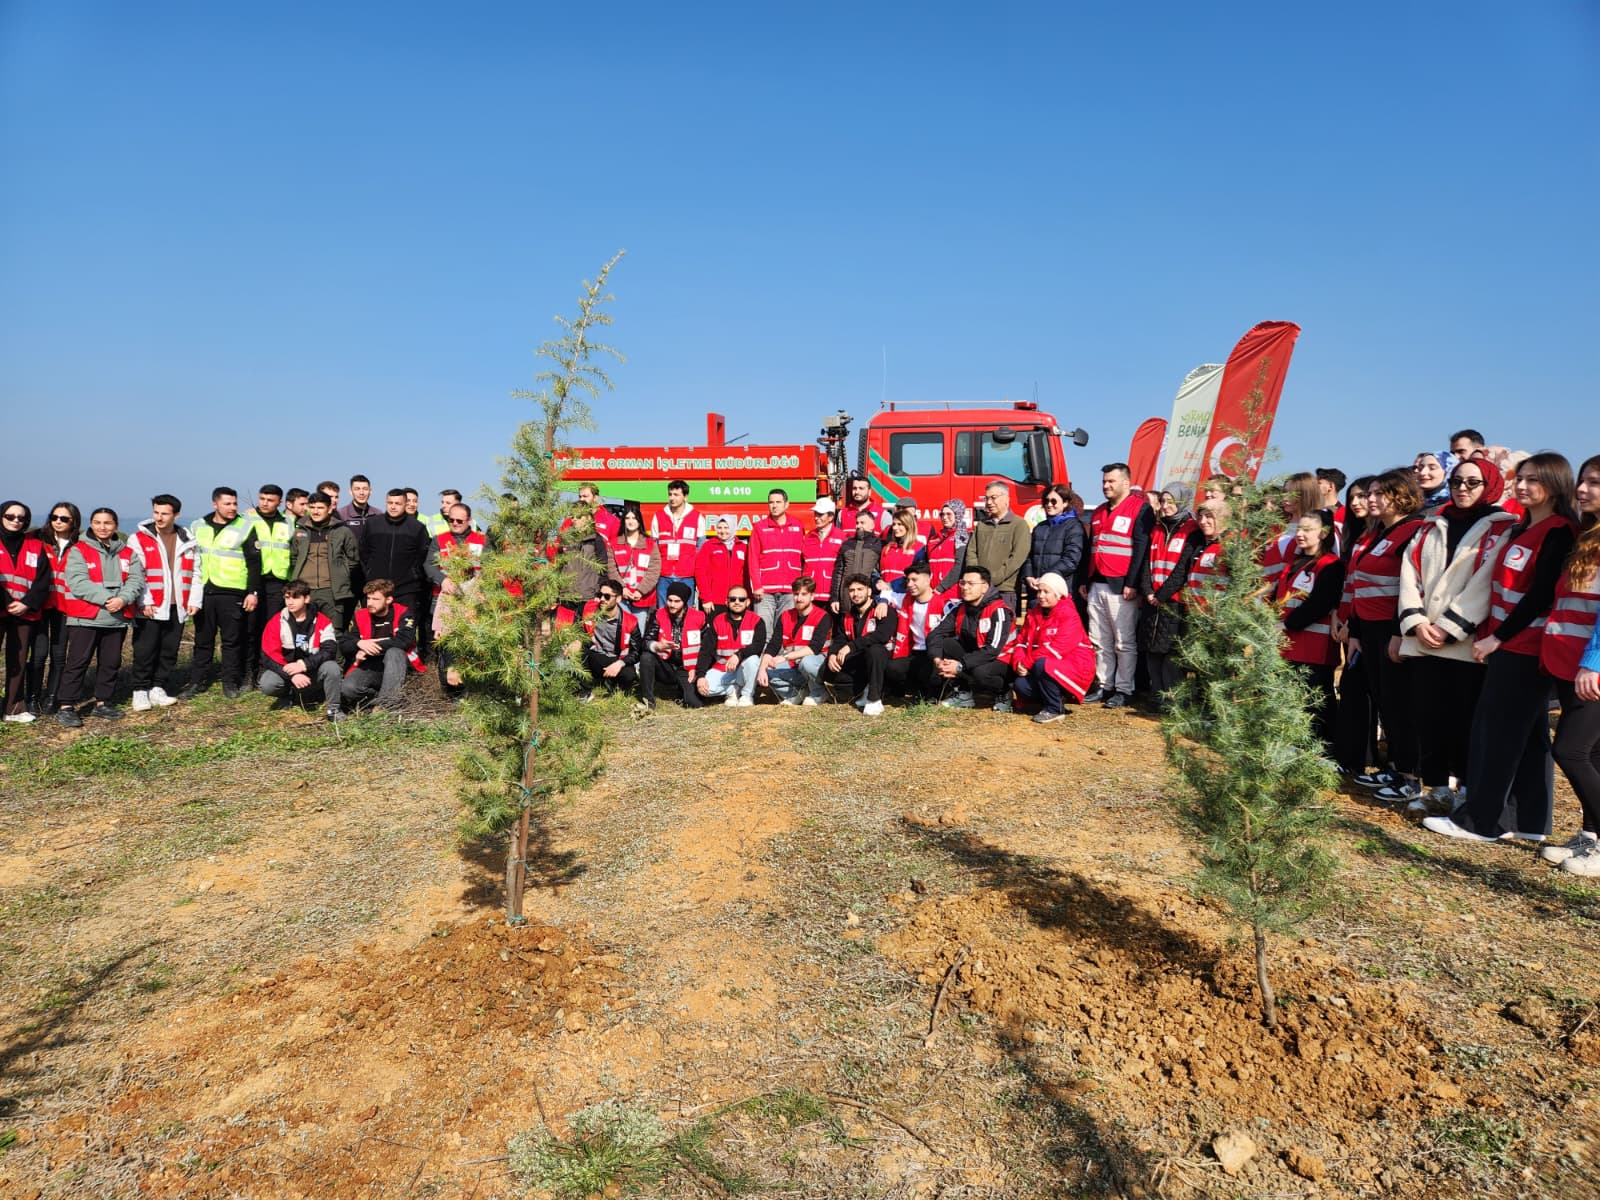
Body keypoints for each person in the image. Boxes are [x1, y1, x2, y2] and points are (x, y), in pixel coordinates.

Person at [1424, 453, 1579, 844]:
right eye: (1520, 479)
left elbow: (1540, 595)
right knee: (1527, 736)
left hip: (1525, 646)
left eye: (1533, 480)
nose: (1522, 486)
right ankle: (1528, 820)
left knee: (1496, 732)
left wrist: (1500, 637)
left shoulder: (1559, 531)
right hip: (1509, 642)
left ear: (1556, 485)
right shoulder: (1524, 527)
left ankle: (1480, 821)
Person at [1391, 459, 1516, 809]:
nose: (1463, 488)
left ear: (1489, 485)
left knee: (1462, 718)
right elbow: (1409, 571)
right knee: (1427, 716)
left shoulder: (1502, 526)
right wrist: (1416, 621)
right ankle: (1436, 788)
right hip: (1422, 635)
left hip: (1462, 642)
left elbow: (1486, 582)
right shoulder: (1432, 521)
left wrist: (1448, 628)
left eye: (1473, 482)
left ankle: (1462, 790)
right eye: (1458, 481)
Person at [1346, 470, 1428, 791]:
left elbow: (1411, 588)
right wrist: (1355, 632)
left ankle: (1411, 777)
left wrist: (1399, 633)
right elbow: (1360, 585)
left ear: (1402, 496)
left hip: (1393, 632)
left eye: (1380, 493)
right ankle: (1395, 767)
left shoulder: (1413, 530)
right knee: (1385, 703)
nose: (1371, 499)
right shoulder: (1379, 531)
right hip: (1368, 630)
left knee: (1400, 704)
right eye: (1371, 493)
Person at [1539, 455, 1600, 875]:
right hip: (1568, 660)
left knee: (1571, 750)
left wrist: (1594, 662)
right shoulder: (1588, 535)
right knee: (1593, 752)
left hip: (1590, 667)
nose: (1582, 489)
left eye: (1595, 483)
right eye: (1582, 480)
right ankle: (1590, 838)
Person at [55, 508, 145, 727]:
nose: (102, 527)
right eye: (97, 522)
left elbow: (136, 580)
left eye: (108, 523)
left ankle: (103, 702)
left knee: (111, 662)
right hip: (85, 617)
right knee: (77, 662)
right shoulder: (79, 550)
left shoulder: (127, 553)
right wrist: (107, 599)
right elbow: (78, 581)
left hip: (117, 617)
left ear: (116, 525)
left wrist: (123, 599)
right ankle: (66, 705)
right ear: (91, 524)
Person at [1083, 463, 1156, 707]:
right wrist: (1086, 580)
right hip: (1097, 584)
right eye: (1104, 481)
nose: (1106, 486)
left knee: (1123, 642)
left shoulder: (1140, 509)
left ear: (1126, 483)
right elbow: (1092, 548)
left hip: (1121, 586)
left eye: (1111, 481)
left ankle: (1124, 689)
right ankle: (1104, 685)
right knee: (1099, 640)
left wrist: (1132, 582)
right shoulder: (1099, 511)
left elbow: (1141, 549)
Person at [1273, 510, 1346, 752]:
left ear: (1323, 534)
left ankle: (1320, 747)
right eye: (1298, 529)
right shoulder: (1294, 562)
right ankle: (1294, 742)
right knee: (1291, 696)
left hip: (1314, 647)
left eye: (1307, 529)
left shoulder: (1331, 566)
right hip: (1289, 645)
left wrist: (1288, 624)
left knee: (1315, 700)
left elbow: (1320, 603)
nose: (1300, 534)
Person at [186, 486, 262, 699]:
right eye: (227, 504)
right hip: (204, 590)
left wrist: (252, 592)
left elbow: (255, 563)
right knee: (203, 640)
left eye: (234, 503)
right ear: (215, 504)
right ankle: (196, 681)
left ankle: (230, 682)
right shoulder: (197, 525)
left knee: (232, 641)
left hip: (232, 592)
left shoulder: (245, 526)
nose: (232, 508)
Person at [128, 495, 199, 712]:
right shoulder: (138, 539)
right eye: (156, 512)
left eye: (164, 513)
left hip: (178, 604)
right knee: (145, 649)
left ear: (175, 515)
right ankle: (140, 691)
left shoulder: (187, 539)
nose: (159, 517)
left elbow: (196, 572)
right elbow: (136, 573)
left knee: (169, 649)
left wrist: (194, 599)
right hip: (151, 605)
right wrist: (144, 600)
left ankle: (158, 687)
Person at [1139, 487, 1207, 707]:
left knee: (1170, 654)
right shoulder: (1157, 528)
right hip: (1152, 600)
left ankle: (1173, 701)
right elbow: (1147, 563)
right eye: (1162, 501)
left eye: (1171, 501)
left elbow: (1182, 569)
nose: (1165, 506)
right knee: (1152, 649)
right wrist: (1147, 590)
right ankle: (1157, 696)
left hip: (1173, 602)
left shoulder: (1192, 530)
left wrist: (1162, 594)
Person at [1003, 571, 1094, 723]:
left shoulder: (1069, 615)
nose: (1041, 595)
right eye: (1039, 591)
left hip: (1075, 666)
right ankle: (1050, 699)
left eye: (1046, 592)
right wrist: (1019, 662)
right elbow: (1021, 641)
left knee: (1043, 664)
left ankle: (1055, 708)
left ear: (1058, 595)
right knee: (1021, 685)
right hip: (1045, 665)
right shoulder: (1033, 614)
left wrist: (1027, 663)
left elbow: (1057, 649)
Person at [931, 565, 1015, 710]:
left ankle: (1004, 692)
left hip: (1002, 660)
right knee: (946, 644)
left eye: (971, 584)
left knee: (981, 673)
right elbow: (936, 633)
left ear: (985, 587)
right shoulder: (959, 608)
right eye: (962, 583)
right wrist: (937, 660)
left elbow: (993, 649)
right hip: (976, 656)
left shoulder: (999, 610)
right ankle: (963, 694)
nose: (965, 587)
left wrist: (960, 665)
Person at [259, 579, 344, 721]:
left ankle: (333, 709)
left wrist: (303, 665)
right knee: (267, 683)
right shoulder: (276, 621)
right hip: (288, 672)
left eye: (295, 597)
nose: (290, 602)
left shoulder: (323, 621)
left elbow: (329, 650)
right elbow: (267, 656)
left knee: (332, 667)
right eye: (287, 597)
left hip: (313, 670)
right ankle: (288, 696)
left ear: (306, 598)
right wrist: (292, 675)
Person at [24, 501, 78, 716]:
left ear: (73, 521)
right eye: (54, 517)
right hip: (39, 604)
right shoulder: (35, 538)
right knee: (38, 654)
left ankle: (53, 697)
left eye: (64, 518)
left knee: (59, 655)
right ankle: (32, 697)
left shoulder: (79, 544)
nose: (58, 521)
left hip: (65, 606)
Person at [340, 578, 424, 711]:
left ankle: (387, 706)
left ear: (388, 600)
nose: (370, 603)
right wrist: (359, 643)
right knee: (348, 688)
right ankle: (380, 701)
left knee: (394, 652)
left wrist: (370, 646)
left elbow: (404, 641)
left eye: (375, 599)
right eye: (368, 598)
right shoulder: (360, 616)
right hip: (373, 666)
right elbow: (345, 643)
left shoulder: (404, 613)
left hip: (400, 665)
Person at [1, 501, 51, 722]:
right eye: (10, 516)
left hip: (25, 612)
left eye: (21, 518)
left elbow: (43, 579)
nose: (15, 521)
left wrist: (27, 603)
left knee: (18, 660)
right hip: (2, 609)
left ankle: (13, 708)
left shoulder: (35, 546)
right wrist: (7, 602)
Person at [822, 574, 898, 715]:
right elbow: (840, 639)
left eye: (860, 589)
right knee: (824, 671)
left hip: (885, 661)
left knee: (875, 650)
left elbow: (881, 636)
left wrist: (851, 646)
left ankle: (874, 699)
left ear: (869, 591)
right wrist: (832, 654)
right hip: (860, 661)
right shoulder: (848, 616)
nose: (855, 594)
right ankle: (861, 688)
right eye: (852, 590)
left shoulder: (883, 609)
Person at [430, 502, 486, 689]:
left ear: (469, 520)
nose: (454, 523)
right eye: (450, 519)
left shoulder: (482, 540)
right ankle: (449, 691)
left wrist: (482, 588)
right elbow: (428, 565)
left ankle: (471, 689)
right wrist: (441, 579)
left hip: (474, 601)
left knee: (472, 646)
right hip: (446, 600)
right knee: (447, 647)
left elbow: (491, 567)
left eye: (459, 520)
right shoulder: (439, 539)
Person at [243, 484, 294, 686]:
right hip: (254, 581)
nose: (264, 503)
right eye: (262, 498)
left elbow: (308, 507)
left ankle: (266, 671)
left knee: (271, 630)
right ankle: (249, 673)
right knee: (251, 629)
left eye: (270, 500)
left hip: (278, 583)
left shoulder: (288, 521)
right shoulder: (248, 518)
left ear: (279, 502)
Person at [884, 562, 955, 701]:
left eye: (914, 580)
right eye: (908, 580)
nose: (909, 584)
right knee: (892, 668)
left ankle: (939, 691)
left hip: (936, 652)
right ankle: (912, 689)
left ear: (928, 579)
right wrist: (881, 602)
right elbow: (887, 593)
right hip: (915, 652)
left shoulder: (944, 603)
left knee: (932, 673)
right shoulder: (905, 599)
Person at [356, 488, 433, 616]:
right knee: (375, 628)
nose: (393, 507)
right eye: (390, 503)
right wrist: (369, 572)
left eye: (397, 503)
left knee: (404, 629)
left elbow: (422, 555)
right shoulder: (373, 524)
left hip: (406, 589)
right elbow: (363, 551)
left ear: (405, 504)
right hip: (376, 587)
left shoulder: (417, 527)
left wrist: (414, 574)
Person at [756, 576, 832, 705]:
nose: (799, 598)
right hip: (794, 664)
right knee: (766, 671)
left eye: (804, 594)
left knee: (807, 662)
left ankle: (819, 693)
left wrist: (784, 657)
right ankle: (796, 693)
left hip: (816, 662)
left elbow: (815, 648)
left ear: (812, 596)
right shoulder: (785, 616)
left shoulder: (823, 616)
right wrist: (762, 669)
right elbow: (773, 645)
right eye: (796, 594)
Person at [291, 492, 361, 630]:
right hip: (305, 591)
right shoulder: (300, 532)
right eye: (312, 507)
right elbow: (294, 558)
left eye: (320, 508)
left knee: (334, 632)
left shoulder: (343, 531)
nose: (315, 511)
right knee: (304, 631)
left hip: (331, 592)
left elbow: (353, 559)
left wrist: (341, 573)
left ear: (329, 509)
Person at [638, 581, 705, 711]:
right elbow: (645, 641)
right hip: (666, 664)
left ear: (684, 602)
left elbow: (707, 649)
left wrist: (697, 669)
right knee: (646, 657)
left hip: (687, 668)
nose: (672, 604)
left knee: (694, 703)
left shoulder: (699, 617)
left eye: (677, 601)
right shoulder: (658, 614)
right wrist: (657, 646)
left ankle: (682, 689)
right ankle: (648, 702)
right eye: (669, 600)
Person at [695, 585, 766, 706]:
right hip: (723, 669)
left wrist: (739, 655)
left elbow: (758, 646)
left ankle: (747, 695)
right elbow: (706, 651)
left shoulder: (757, 620)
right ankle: (732, 690)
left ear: (748, 602)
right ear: (726, 602)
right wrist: (700, 675)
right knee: (705, 689)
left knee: (753, 660)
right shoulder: (717, 621)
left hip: (744, 668)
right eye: (733, 599)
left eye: (741, 599)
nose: (737, 602)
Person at [968, 481, 1031, 610]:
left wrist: (991, 580)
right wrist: (977, 579)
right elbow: (971, 553)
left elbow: (1017, 558)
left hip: (1005, 591)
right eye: (987, 498)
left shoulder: (1019, 525)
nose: (989, 502)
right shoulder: (981, 525)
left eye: (993, 498)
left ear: (1006, 499)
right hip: (980, 590)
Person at [573, 580, 641, 699]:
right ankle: (585, 692)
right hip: (594, 656)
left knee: (629, 676)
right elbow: (575, 625)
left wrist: (620, 663)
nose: (602, 599)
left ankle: (611, 682)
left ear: (618, 598)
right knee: (579, 650)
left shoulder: (630, 622)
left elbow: (637, 652)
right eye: (600, 595)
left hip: (615, 659)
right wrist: (576, 639)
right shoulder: (587, 609)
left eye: (607, 596)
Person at [748, 489, 804, 634]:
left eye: (778, 502)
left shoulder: (798, 526)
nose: (774, 505)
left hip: (791, 590)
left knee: (785, 632)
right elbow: (753, 558)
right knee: (763, 631)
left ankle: (782, 658)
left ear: (786, 504)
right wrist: (757, 586)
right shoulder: (759, 527)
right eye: (771, 502)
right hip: (765, 591)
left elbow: (804, 558)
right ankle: (762, 657)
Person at [1022, 484, 1085, 605]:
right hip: (1037, 591)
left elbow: (1071, 560)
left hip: (1059, 590)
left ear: (1065, 503)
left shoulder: (1074, 527)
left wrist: (1046, 578)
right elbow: (1029, 555)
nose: (1049, 504)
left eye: (1054, 501)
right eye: (1046, 501)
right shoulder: (1040, 527)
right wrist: (1028, 576)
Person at [1262, 473, 1321, 589]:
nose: (1285, 498)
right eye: (1284, 492)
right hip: (1263, 597)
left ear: (1306, 495)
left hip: (1293, 597)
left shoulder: (1318, 527)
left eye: (1291, 493)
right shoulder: (1276, 526)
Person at [651, 479, 701, 607]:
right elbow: (653, 548)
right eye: (670, 494)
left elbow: (700, 549)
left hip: (687, 575)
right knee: (663, 612)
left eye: (676, 495)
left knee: (686, 613)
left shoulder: (697, 517)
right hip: (663, 575)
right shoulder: (658, 516)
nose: (672, 498)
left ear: (685, 496)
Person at [611, 505, 661, 622]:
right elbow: (611, 569)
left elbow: (654, 570)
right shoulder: (614, 543)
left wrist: (640, 590)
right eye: (627, 518)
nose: (631, 521)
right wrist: (622, 589)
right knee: (623, 632)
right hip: (622, 596)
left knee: (639, 632)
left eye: (634, 518)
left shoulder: (650, 543)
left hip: (642, 597)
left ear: (639, 521)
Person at [830, 508, 884, 612]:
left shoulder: (879, 545)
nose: (858, 526)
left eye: (862, 523)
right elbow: (838, 573)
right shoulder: (847, 544)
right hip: (846, 598)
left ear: (872, 525)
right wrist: (835, 598)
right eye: (857, 523)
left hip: (869, 600)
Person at [695, 514, 748, 613]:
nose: (723, 531)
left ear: (732, 528)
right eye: (719, 528)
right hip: (714, 601)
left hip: (737, 600)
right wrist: (706, 598)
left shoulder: (743, 547)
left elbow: (747, 575)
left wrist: (747, 598)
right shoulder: (708, 546)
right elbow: (700, 573)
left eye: (726, 527)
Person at [801, 498, 847, 603]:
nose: (816, 518)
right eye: (815, 514)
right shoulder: (807, 538)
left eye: (820, 515)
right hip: (811, 595)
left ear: (831, 517)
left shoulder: (842, 537)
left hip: (832, 596)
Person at [877, 508, 924, 598]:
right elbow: (876, 571)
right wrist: (877, 582)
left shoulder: (919, 548)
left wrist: (891, 585)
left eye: (899, 524)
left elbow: (917, 575)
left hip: (905, 596)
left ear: (908, 525)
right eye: (894, 524)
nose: (895, 528)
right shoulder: (887, 548)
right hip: (884, 596)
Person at [923, 500, 967, 592]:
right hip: (932, 592)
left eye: (948, 514)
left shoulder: (962, 536)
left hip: (952, 592)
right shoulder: (933, 539)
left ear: (957, 515)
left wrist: (941, 588)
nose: (944, 517)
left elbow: (959, 566)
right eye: (942, 514)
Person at [1414, 452, 1451, 517]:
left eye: (1432, 468)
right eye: (1420, 468)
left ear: (1448, 472)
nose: (1422, 473)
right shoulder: (1413, 504)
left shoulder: (1453, 507)